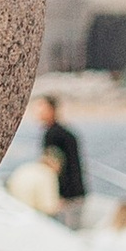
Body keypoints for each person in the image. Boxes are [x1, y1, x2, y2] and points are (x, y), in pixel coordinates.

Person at [36, 92, 88, 225]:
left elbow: (54, 166)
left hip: (67, 197)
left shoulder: (53, 135)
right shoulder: (65, 132)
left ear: (52, 110)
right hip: (77, 192)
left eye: (42, 108)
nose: (38, 112)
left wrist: (58, 194)